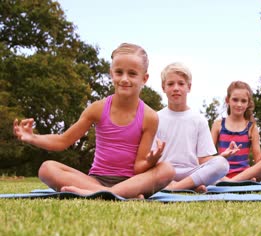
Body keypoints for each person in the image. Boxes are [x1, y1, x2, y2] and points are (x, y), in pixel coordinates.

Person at [12, 43, 174, 198]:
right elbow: (63, 141)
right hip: (94, 180)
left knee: (167, 170)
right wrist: (32, 137)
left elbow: (139, 168)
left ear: (144, 78)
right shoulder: (97, 108)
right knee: (47, 168)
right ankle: (111, 193)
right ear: (111, 74)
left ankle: (107, 193)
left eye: (132, 74)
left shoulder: (150, 117)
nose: (124, 79)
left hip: (132, 182)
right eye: (119, 72)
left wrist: (151, 161)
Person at [155, 62, 229, 192]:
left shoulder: (199, 120)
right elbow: (151, 156)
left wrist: (222, 156)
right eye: (171, 84)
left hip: (190, 173)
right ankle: (189, 187)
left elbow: (204, 159)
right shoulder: (155, 118)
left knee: (222, 164)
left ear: (189, 87)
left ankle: (176, 187)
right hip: (163, 171)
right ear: (163, 87)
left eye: (181, 83)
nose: (176, 88)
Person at [211, 81, 261, 182]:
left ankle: (231, 182)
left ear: (248, 103)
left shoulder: (251, 127)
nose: (239, 104)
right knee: (203, 161)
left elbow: (258, 159)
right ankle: (233, 182)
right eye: (235, 100)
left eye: (243, 101)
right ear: (228, 100)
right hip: (221, 173)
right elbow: (208, 155)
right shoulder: (218, 125)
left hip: (244, 174)